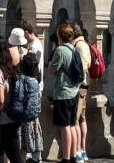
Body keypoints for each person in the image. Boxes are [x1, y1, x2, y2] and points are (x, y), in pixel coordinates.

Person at [0, 34, 23, 163]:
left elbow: (0, 100)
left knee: (9, 155)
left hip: (6, 119)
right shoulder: (10, 68)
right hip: (13, 116)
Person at [47, 23, 80, 163]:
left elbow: (52, 70)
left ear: (60, 36)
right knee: (72, 125)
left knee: (64, 126)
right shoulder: (73, 49)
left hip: (63, 92)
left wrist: (54, 53)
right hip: (74, 91)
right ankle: (73, 156)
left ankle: (66, 158)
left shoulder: (60, 50)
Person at [71, 22, 92, 163]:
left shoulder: (79, 45)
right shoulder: (84, 44)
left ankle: (78, 151)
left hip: (80, 86)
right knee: (82, 118)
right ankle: (83, 150)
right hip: (84, 85)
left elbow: (83, 65)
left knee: (76, 118)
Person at [19, 52, 45, 163]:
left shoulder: (22, 80)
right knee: (34, 141)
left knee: (23, 146)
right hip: (34, 117)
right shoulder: (36, 81)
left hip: (24, 117)